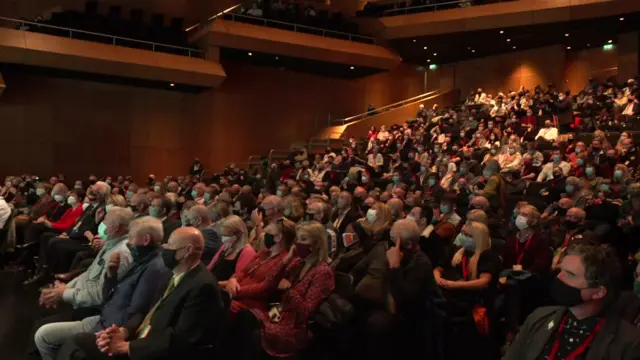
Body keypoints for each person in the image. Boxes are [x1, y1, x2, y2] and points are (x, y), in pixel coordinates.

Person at [62, 227, 225, 360]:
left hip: (152, 352)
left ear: (187, 251)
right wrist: (124, 331)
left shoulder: (203, 286)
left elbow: (181, 340)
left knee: (78, 344)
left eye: (170, 245)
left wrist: (128, 347)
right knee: (78, 343)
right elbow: (147, 312)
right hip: (139, 339)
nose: (165, 249)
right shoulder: (174, 273)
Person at [34, 216, 170, 360]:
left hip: (110, 327)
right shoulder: (142, 261)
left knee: (46, 336)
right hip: (104, 317)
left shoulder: (155, 268)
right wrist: (111, 276)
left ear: (146, 239)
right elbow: (109, 295)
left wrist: (115, 332)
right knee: (44, 333)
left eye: (130, 237)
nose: (128, 242)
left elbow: (136, 310)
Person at [504, 244, 640, 360]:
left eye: (570, 274)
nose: (558, 278)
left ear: (598, 292)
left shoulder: (627, 342)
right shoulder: (539, 317)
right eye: (560, 270)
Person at [226, 221, 334, 359]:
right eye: (297, 239)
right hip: (277, 311)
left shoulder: (322, 272)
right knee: (244, 317)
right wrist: (286, 260)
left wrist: (289, 289)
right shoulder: (297, 262)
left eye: (303, 239)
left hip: (294, 323)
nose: (298, 243)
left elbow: (306, 310)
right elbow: (271, 282)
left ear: (317, 244)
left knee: (248, 324)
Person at [350, 219, 437, 360]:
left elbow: (403, 298)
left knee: (378, 325)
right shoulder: (382, 247)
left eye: (393, 240)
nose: (389, 244)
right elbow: (358, 270)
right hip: (368, 300)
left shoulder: (420, 263)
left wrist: (395, 267)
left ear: (408, 244)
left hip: (397, 312)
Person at [226, 218, 296, 315]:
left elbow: (263, 289)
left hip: (251, 306)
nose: (264, 235)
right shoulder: (265, 252)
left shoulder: (284, 261)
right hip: (236, 295)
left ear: (278, 237)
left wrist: (236, 291)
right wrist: (233, 280)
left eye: (267, 232)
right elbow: (243, 272)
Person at [206, 215, 256, 284]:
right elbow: (211, 266)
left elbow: (239, 280)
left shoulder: (247, 252)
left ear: (238, 234)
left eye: (226, 235)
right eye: (222, 235)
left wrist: (215, 285)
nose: (223, 239)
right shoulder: (226, 246)